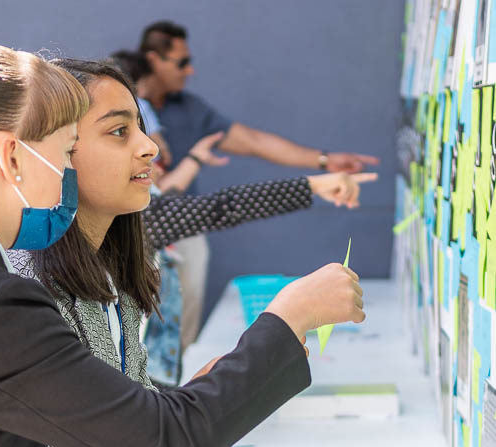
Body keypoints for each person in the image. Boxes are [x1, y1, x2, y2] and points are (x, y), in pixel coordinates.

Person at [0, 43, 364, 447]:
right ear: (14, 156)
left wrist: (182, 407)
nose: (150, 148)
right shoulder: (2, 301)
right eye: (69, 147)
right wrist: (287, 317)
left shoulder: (100, 270)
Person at [111, 24, 380, 350]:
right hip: (140, 375)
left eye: (146, 132)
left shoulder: (187, 115)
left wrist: (322, 167)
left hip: (177, 240)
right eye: (120, 132)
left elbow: (242, 164)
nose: (150, 149)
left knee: (173, 340)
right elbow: (218, 207)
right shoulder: (123, 218)